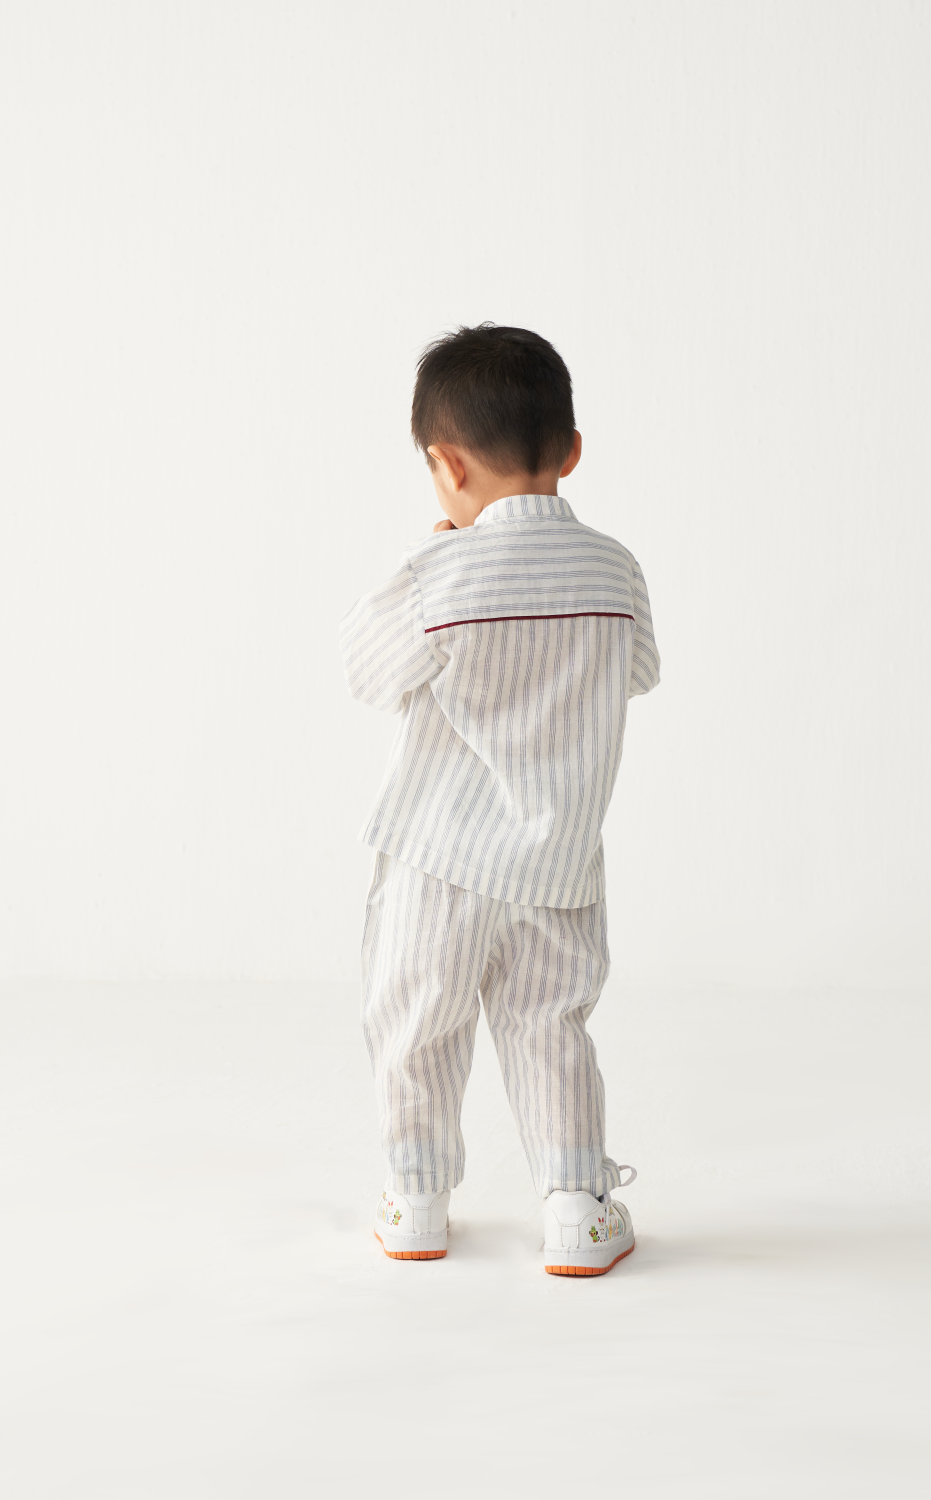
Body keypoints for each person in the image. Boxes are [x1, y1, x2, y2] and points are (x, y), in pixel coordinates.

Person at [341, 324, 660, 1275]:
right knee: (549, 1027)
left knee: (417, 1023)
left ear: (445, 464)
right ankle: (577, 1207)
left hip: (437, 858)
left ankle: (415, 1201)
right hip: (558, 865)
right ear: (570, 450)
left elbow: (366, 672)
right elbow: (639, 671)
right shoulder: (616, 570)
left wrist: (434, 559)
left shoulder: (437, 576)